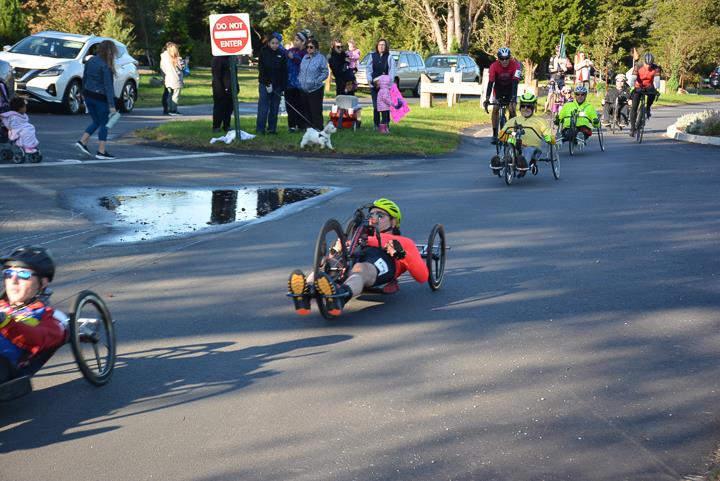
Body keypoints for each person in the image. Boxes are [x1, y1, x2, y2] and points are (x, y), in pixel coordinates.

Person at [287, 199, 428, 317]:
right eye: (371, 214)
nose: (374, 218)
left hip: (382, 259)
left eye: (380, 215)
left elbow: (422, 276)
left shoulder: (404, 242)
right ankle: (305, 293)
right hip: (355, 255)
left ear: (393, 222)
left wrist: (402, 254)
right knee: (327, 266)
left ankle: (340, 297)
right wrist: (336, 250)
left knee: (361, 269)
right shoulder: (358, 237)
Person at [0, 246, 67, 384]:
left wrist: (6, 322)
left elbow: (39, 338)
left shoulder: (48, 315)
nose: (13, 280)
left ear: (43, 283)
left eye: (23, 274)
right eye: (8, 273)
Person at [491, 92, 555, 176]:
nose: (525, 108)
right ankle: (498, 162)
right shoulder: (513, 120)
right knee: (506, 148)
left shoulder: (541, 121)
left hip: (532, 147)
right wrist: (504, 137)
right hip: (514, 145)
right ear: (520, 107)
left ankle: (522, 163)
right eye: (523, 106)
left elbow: (549, 135)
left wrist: (550, 139)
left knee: (528, 151)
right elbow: (502, 135)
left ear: (534, 107)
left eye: (529, 106)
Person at [75, 39, 117, 160]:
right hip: (100, 98)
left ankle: (82, 141)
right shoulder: (106, 65)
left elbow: (85, 77)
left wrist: (82, 92)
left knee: (96, 121)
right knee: (104, 124)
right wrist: (111, 105)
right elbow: (108, 86)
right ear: (110, 51)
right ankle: (101, 151)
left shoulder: (91, 60)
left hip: (88, 94)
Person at [483, 47, 522, 144]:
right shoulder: (493, 66)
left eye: (506, 58)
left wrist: (513, 98)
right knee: (496, 108)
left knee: (512, 109)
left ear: (510, 57)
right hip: (498, 89)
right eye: (502, 58)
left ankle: (512, 133)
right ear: (498, 58)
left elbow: (515, 83)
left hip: (511, 89)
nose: (504, 61)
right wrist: (487, 99)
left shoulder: (516, 65)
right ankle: (494, 134)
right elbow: (490, 83)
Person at [256, 34, 288, 135]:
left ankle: (272, 129)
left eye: (276, 43)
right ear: (269, 43)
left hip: (277, 85)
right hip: (265, 84)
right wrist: (267, 83)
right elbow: (262, 69)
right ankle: (260, 129)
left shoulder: (281, 54)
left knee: (274, 107)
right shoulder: (263, 52)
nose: (274, 45)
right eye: (272, 43)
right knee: (263, 107)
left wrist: (283, 86)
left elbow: (284, 71)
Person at [298, 38, 329, 131]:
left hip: (315, 89)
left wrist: (317, 81)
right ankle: (308, 128)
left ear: (316, 48)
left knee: (316, 110)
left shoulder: (321, 58)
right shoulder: (305, 57)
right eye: (307, 47)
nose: (309, 49)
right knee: (306, 110)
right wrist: (299, 80)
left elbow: (325, 72)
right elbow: (301, 71)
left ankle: (318, 128)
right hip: (303, 88)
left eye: (311, 47)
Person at [629, 52, 662, 137]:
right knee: (634, 107)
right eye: (647, 64)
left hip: (648, 86)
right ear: (644, 62)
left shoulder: (656, 68)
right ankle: (632, 128)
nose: (648, 66)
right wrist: (632, 87)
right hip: (638, 86)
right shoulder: (638, 66)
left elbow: (657, 80)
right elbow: (633, 78)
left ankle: (648, 108)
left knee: (653, 93)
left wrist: (657, 89)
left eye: (650, 64)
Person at [366, 39, 396, 129]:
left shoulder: (389, 57)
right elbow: (368, 69)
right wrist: (369, 79)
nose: (381, 46)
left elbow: (392, 71)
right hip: (374, 84)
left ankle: (385, 124)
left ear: (386, 46)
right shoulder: (372, 56)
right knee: (376, 106)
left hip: (385, 86)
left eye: (383, 45)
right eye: (380, 45)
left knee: (385, 106)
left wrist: (388, 84)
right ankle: (376, 124)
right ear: (377, 46)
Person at [285, 32, 308, 132]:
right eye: (295, 40)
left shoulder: (306, 52)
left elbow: (305, 63)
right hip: (289, 83)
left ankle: (301, 125)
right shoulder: (291, 50)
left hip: (301, 84)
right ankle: (292, 126)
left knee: (300, 105)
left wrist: (294, 57)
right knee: (290, 106)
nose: (295, 42)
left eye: (297, 40)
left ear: (303, 42)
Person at [160, 42, 184, 116]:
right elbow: (182, 68)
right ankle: (173, 110)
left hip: (168, 79)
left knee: (169, 95)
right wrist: (185, 62)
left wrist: (164, 78)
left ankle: (168, 109)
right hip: (176, 80)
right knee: (175, 96)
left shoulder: (164, 58)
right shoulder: (177, 59)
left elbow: (162, 68)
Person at [211, 55, 233, 133]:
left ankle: (227, 125)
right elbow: (216, 76)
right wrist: (219, 90)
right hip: (220, 88)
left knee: (229, 108)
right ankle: (216, 126)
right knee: (219, 108)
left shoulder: (230, 58)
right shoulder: (218, 59)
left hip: (230, 88)